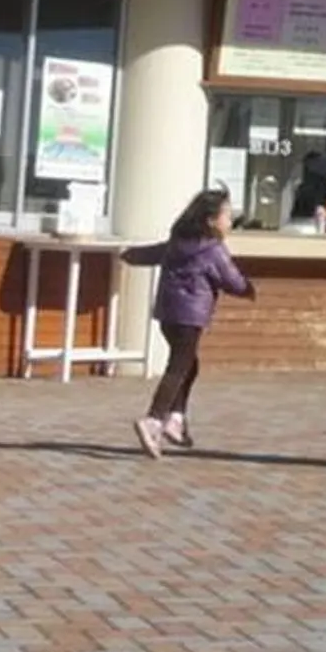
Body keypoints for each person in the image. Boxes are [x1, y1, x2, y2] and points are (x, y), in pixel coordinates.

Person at [121, 188, 253, 458]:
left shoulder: (178, 242)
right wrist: (247, 288)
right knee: (179, 367)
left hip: (167, 314)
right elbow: (230, 278)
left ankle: (175, 421)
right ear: (210, 220)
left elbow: (152, 253)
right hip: (190, 316)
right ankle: (154, 420)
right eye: (227, 215)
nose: (230, 221)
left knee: (189, 365)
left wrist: (129, 255)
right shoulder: (212, 248)